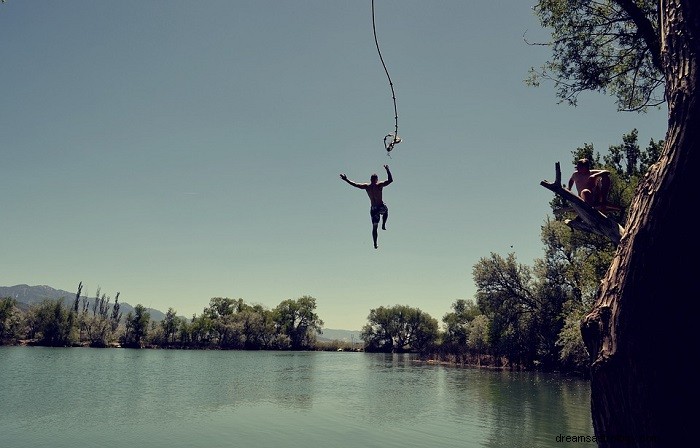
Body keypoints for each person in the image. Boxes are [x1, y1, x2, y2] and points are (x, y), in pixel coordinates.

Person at [340, 165, 393, 249]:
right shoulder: (379, 185)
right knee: (386, 210)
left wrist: (346, 179)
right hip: (380, 206)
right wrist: (387, 170)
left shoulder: (367, 186)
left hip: (373, 209)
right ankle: (383, 224)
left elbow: (355, 184)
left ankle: (375, 243)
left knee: (375, 227)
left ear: (370, 180)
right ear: (376, 179)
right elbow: (390, 180)